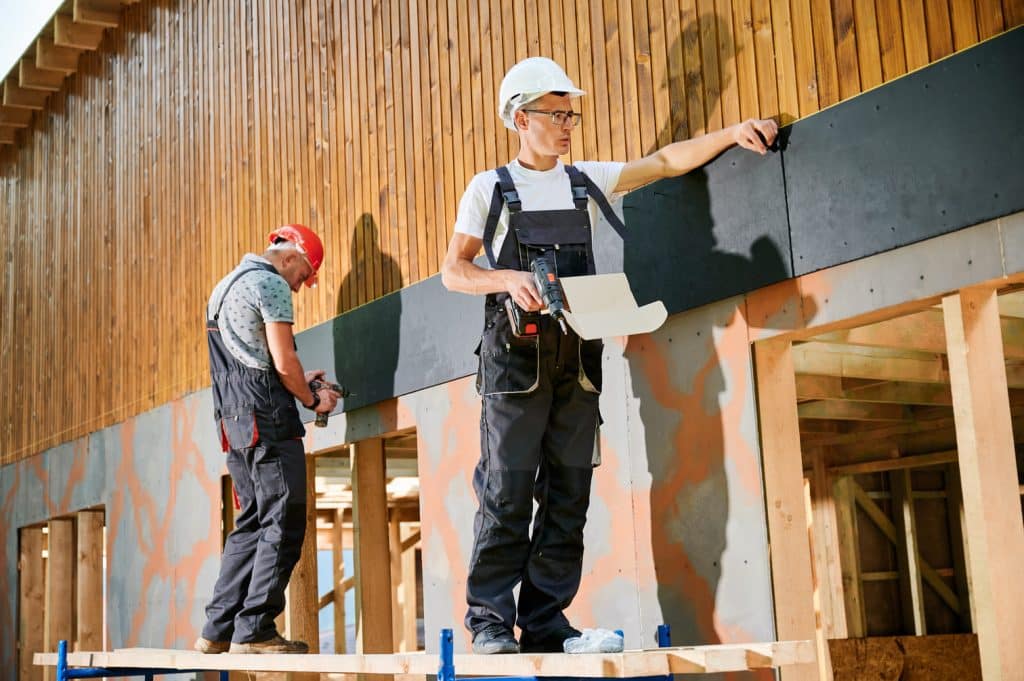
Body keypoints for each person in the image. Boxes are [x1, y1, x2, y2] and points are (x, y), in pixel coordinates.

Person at [440, 57, 778, 654]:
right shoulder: (489, 188)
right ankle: (490, 623)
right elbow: (453, 271)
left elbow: (665, 161)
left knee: (570, 494)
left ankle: (546, 623)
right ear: (520, 118)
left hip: (578, 362)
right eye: (556, 113)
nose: (569, 124)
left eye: (572, 113)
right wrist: (507, 278)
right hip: (515, 366)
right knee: (507, 490)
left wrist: (731, 132)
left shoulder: (584, 182)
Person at [194, 224, 341, 654]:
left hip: (235, 420)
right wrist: (313, 399)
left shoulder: (225, 286)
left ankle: (217, 630)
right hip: (267, 418)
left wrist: (296, 383)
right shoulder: (270, 283)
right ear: (291, 257)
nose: (299, 287)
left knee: (253, 521)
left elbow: (257, 359)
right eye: (304, 276)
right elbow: (283, 358)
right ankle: (255, 629)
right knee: (285, 518)